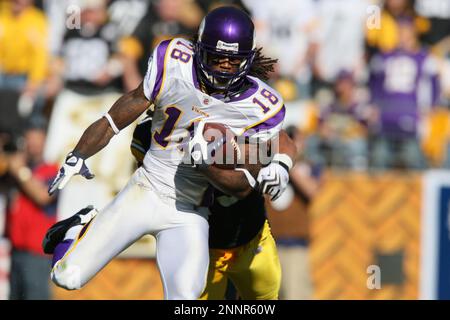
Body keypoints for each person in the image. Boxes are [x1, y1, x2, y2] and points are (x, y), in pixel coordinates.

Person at [42, 7, 292, 300]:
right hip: (146, 190)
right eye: (216, 58)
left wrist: (279, 164)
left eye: (233, 60)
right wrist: (79, 153)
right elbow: (126, 107)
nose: (224, 68)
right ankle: (79, 226)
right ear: (199, 50)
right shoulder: (174, 60)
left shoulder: (260, 103)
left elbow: (276, 146)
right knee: (66, 277)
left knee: (186, 299)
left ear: (247, 59)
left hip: (188, 212)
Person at [130, 115, 296, 299]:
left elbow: (280, 138)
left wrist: (281, 164)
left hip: (251, 238)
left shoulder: (230, 112)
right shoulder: (150, 129)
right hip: (201, 249)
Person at [4, 122, 58, 300]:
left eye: (38, 137)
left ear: (45, 140)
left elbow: (43, 196)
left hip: (38, 256)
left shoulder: (53, 170)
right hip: (16, 253)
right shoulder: (13, 169)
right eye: (29, 137)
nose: (33, 143)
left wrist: (20, 171)